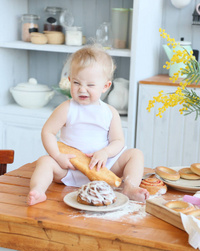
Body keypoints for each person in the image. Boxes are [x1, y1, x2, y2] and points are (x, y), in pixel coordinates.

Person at [27, 44, 149, 206]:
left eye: (90, 85)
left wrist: (105, 152)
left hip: (103, 167)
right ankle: (38, 190)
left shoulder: (110, 112)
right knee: (44, 161)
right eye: (76, 83)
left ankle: (130, 187)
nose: (82, 89)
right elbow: (47, 132)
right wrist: (57, 156)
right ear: (69, 80)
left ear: (105, 86)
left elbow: (118, 141)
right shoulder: (66, 108)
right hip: (70, 168)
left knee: (135, 154)